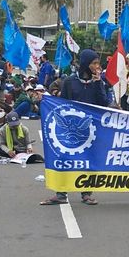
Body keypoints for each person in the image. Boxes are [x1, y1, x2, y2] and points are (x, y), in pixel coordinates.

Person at [42, 48, 107, 205]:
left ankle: (86, 193)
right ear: (85, 64)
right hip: (71, 127)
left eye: (98, 63)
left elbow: (103, 103)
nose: (97, 66)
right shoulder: (70, 82)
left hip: (90, 129)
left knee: (88, 160)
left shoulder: (98, 82)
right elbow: (62, 104)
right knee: (65, 158)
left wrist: (98, 83)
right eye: (94, 63)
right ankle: (61, 193)